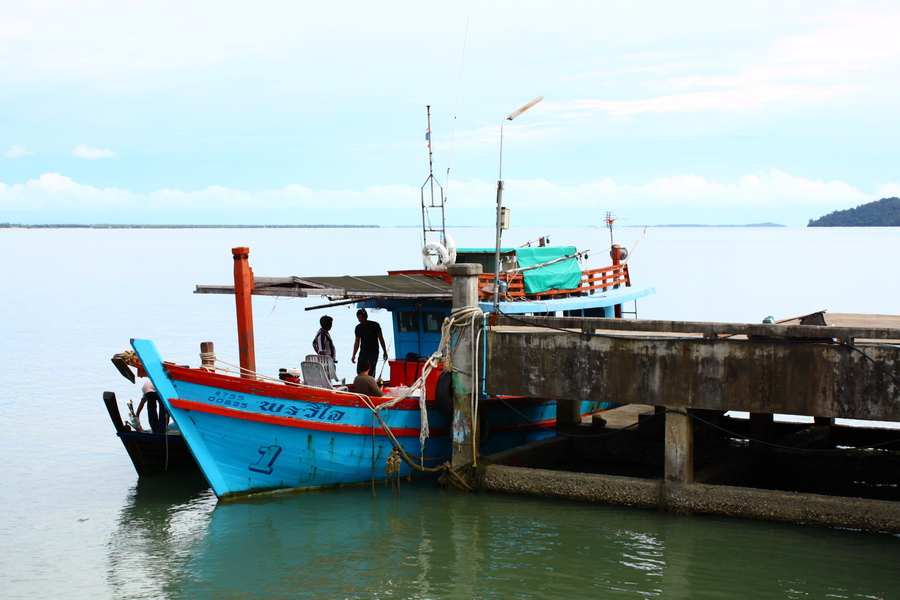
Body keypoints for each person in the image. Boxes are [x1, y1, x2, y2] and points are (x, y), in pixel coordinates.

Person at [351, 308, 388, 376]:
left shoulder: (375, 325)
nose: (361, 319)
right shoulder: (358, 328)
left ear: (366, 316)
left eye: (362, 317)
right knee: (359, 370)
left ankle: (370, 383)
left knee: (371, 370)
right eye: (359, 318)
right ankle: (362, 384)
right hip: (363, 351)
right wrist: (354, 355)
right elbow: (357, 342)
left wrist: (385, 351)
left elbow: (381, 339)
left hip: (373, 352)